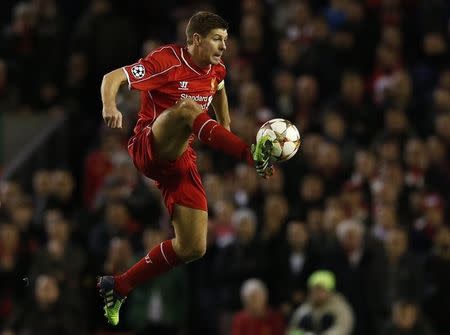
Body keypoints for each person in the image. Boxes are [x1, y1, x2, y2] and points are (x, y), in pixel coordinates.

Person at [97, 11, 275, 325]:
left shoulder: (216, 70)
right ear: (195, 39)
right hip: (149, 146)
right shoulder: (167, 60)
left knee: (193, 246)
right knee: (185, 109)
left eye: (226, 40)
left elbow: (218, 86)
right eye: (217, 39)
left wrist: (226, 123)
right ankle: (250, 155)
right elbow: (112, 78)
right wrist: (109, 105)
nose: (223, 46)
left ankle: (120, 285)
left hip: (180, 159)